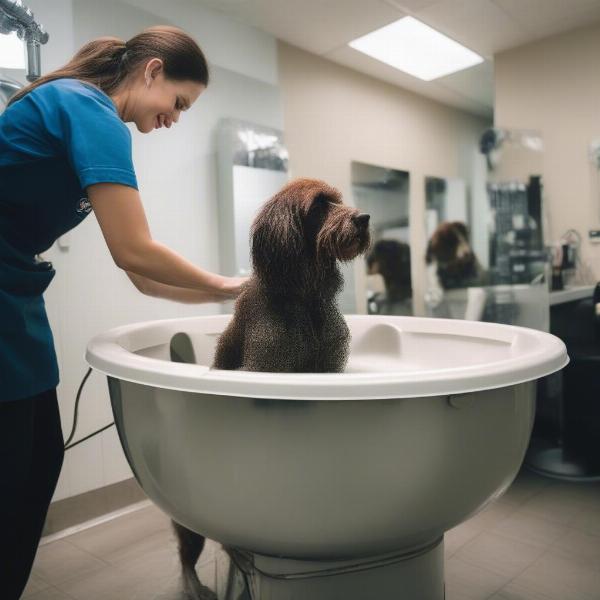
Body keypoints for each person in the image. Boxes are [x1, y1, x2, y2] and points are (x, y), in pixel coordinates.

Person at [0, 25, 246, 599]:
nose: (176, 118)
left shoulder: (85, 114)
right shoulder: (88, 108)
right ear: (153, 71)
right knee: (18, 472)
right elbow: (135, 250)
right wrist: (230, 282)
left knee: (38, 459)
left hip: (16, 291)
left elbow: (140, 275)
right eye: (179, 103)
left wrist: (232, 296)